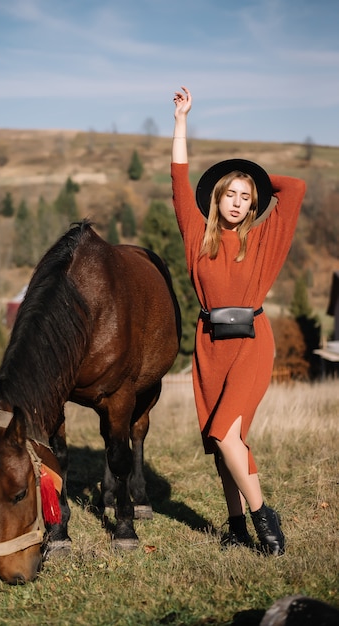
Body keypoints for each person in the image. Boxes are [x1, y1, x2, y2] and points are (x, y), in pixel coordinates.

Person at [171, 86, 306, 555]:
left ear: (254, 205)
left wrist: (255, 176)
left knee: (226, 432)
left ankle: (264, 518)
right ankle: (235, 527)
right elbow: (178, 176)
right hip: (210, 345)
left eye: (245, 197)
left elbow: (298, 188)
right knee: (221, 442)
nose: (235, 202)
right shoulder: (196, 236)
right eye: (229, 193)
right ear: (216, 198)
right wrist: (182, 121)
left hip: (252, 340)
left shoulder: (263, 239)